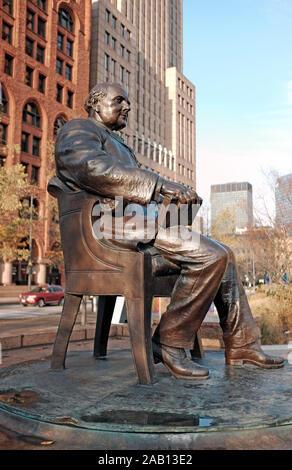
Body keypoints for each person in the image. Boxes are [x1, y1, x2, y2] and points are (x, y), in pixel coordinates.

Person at [54, 82, 284, 380]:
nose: (127, 107)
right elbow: (92, 170)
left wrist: (175, 200)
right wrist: (160, 185)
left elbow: (137, 189)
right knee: (211, 254)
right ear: (95, 104)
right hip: (108, 231)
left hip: (138, 228)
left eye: (128, 102)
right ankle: (168, 343)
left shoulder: (120, 144)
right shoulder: (78, 131)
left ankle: (242, 344)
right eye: (119, 100)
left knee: (225, 254)